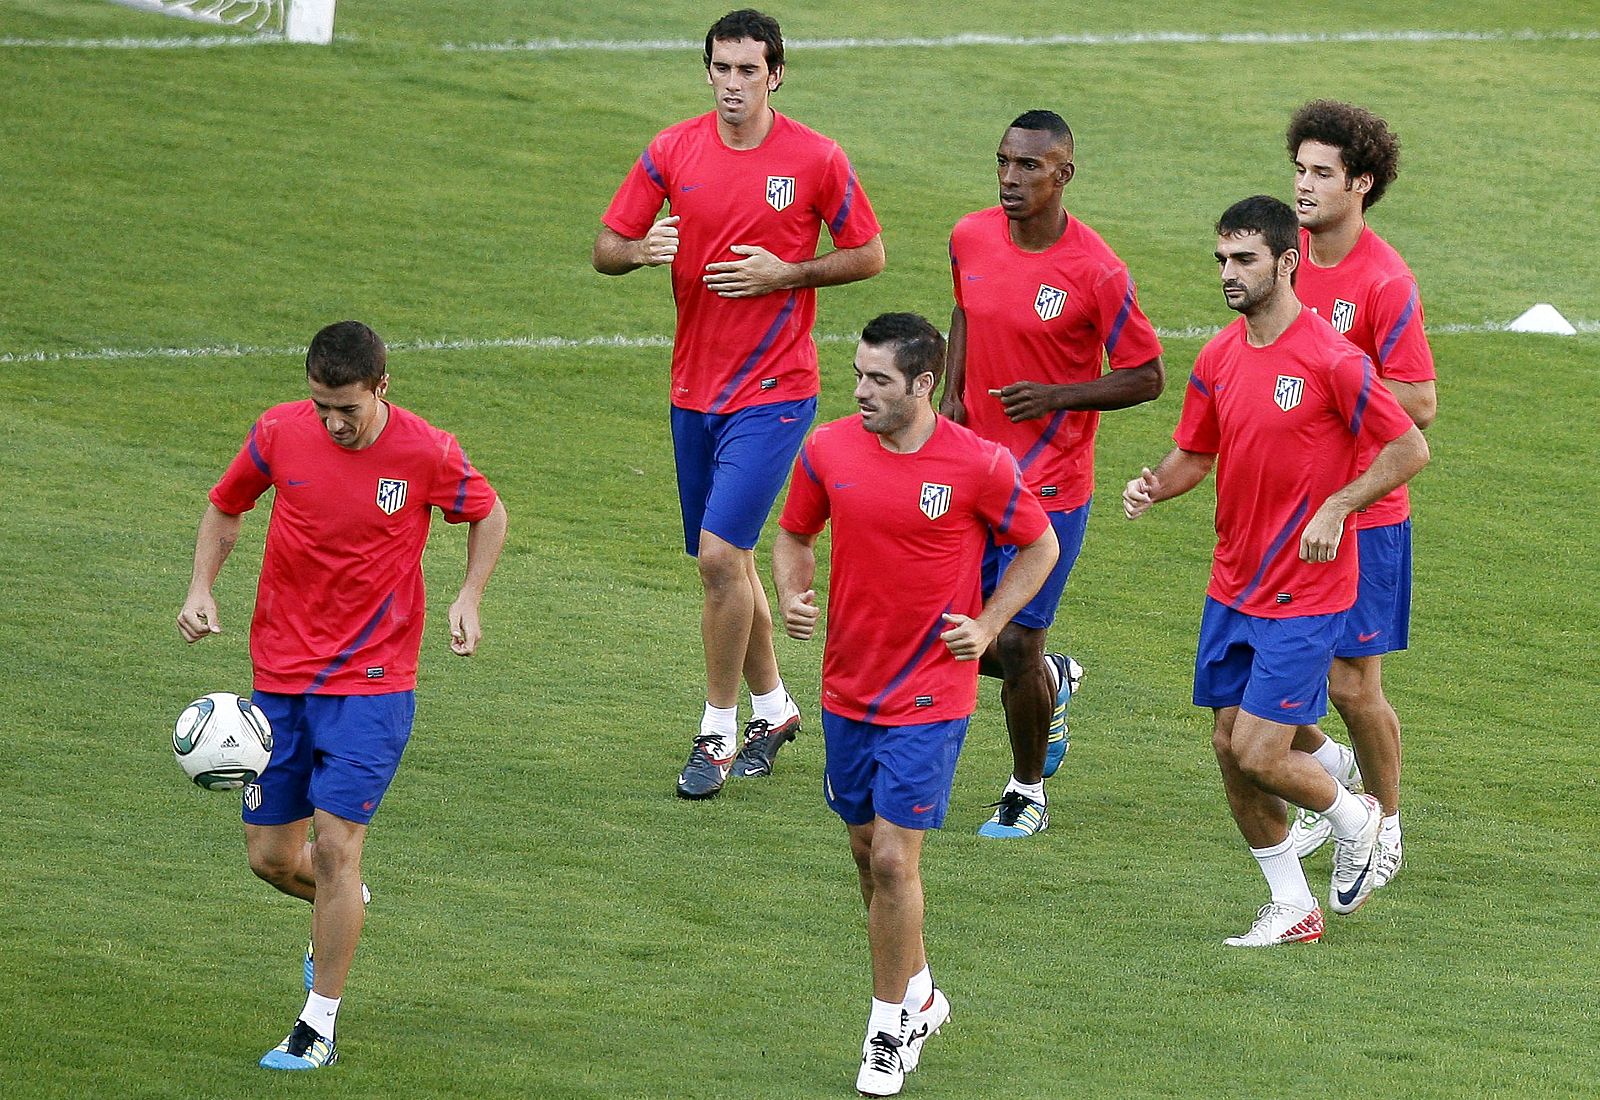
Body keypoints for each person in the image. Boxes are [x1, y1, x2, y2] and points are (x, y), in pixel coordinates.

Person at [177, 321, 508, 1068]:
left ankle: (317, 1025)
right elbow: (227, 504)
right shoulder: (277, 433)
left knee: (335, 847)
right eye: (322, 406)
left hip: (372, 684)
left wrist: (470, 596)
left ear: (382, 388)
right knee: (270, 858)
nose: (334, 423)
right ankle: (344, 908)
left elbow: (488, 512)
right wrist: (201, 585)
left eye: (348, 409)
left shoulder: (426, 450)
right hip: (280, 681)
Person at [593, 9, 885, 800]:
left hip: (775, 393)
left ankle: (716, 731)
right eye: (721, 68)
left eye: (748, 70)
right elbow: (606, 248)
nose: (732, 84)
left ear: (776, 74)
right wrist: (640, 250)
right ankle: (775, 707)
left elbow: (869, 253)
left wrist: (785, 274)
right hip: (694, 392)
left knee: (721, 558)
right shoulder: (671, 149)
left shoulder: (816, 157)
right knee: (728, 562)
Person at [1122, 198, 1428, 946]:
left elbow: (1408, 448)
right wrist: (1156, 483)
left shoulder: (1331, 358)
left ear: (1287, 261)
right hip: (1234, 583)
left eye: (1245, 259)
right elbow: (1196, 452)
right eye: (1222, 259)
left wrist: (1338, 506)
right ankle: (1292, 905)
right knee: (1230, 748)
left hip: (1307, 588)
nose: (1228, 273)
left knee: (1263, 750)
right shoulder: (1220, 356)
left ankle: (1359, 817)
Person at [774, 313, 1058, 1095]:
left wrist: (990, 624)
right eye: (858, 375)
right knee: (867, 854)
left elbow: (1040, 545)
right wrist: (792, 593)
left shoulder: (978, 465)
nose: (860, 391)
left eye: (878, 380)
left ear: (924, 384)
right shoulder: (829, 448)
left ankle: (886, 1031)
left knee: (897, 860)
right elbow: (795, 535)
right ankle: (921, 991)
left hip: (932, 694)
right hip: (848, 688)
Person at [940, 109, 1164, 839]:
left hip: (1050, 487)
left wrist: (1059, 395)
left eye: (1029, 166)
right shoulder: (970, 236)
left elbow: (1147, 375)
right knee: (945, 631)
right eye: (1004, 161)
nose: (1010, 177)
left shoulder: (1096, 270)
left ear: (1064, 174)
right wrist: (949, 394)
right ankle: (1052, 682)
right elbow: (968, 307)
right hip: (971, 471)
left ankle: (1026, 790)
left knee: (1016, 643)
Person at [1282, 101, 1438, 889]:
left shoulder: (1383, 281)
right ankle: (1339, 787)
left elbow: (1421, 400)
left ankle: (1387, 819)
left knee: (1351, 684)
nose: (1304, 187)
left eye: (1321, 174)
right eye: (1299, 170)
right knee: (1265, 677)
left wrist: (1336, 383)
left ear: (1361, 183)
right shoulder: (1287, 259)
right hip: (1289, 506)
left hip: (1365, 512)